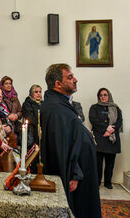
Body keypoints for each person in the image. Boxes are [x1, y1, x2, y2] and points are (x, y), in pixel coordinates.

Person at [41, 64, 101, 218]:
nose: (75, 80)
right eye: (69, 77)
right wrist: (75, 174)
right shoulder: (56, 108)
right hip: (74, 176)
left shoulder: (60, 103)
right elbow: (60, 145)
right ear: (58, 84)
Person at [89, 88, 122, 189]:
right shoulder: (94, 107)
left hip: (112, 140)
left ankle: (108, 182)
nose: (103, 97)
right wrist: (106, 128)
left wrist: (110, 130)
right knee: (98, 163)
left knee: (110, 163)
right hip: (99, 138)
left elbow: (119, 121)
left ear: (109, 96)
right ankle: (97, 182)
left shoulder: (116, 108)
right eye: (101, 95)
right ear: (98, 96)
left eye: (105, 95)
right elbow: (93, 120)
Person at [22, 84, 42, 173]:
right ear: (31, 93)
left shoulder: (43, 103)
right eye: (36, 92)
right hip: (33, 134)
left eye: (40, 92)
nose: (38, 94)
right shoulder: (27, 103)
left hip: (41, 133)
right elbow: (30, 118)